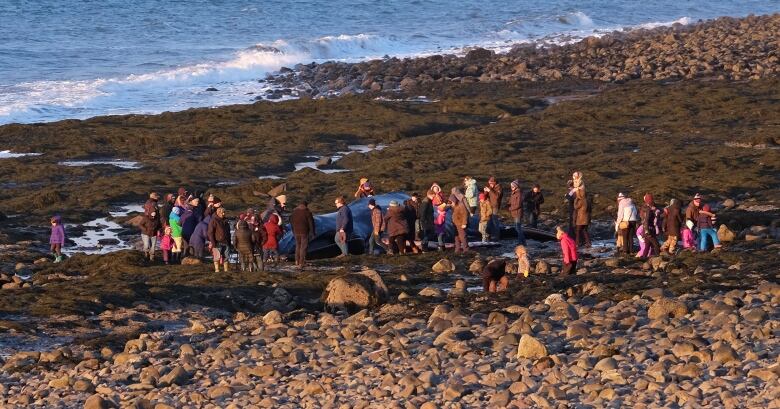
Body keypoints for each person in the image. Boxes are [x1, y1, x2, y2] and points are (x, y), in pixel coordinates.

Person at [290, 201, 315, 268]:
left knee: (298, 246)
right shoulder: (307, 212)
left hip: (296, 232)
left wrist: (293, 231)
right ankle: (301, 262)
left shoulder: (294, 212)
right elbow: (311, 224)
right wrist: (312, 232)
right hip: (304, 232)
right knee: (303, 247)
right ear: (306, 205)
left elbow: (291, 222)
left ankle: (297, 261)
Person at [208, 207, 231, 273]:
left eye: (224, 212)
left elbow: (228, 233)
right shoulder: (213, 220)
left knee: (226, 257)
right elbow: (210, 232)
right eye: (222, 213)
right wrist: (213, 242)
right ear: (218, 213)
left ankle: (226, 270)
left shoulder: (226, 221)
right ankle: (217, 270)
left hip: (226, 242)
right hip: (217, 242)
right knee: (216, 257)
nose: (223, 214)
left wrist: (229, 242)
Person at [573, 179, 591, 248]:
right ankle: (588, 243)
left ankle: (577, 243)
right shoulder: (587, 200)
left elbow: (576, 207)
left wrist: (575, 200)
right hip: (586, 218)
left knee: (577, 231)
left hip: (580, 219)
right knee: (585, 231)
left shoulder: (581, 200)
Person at [508, 180, 526, 245]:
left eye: (512, 186)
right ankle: (522, 242)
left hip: (518, 213)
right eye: (511, 186)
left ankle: (521, 242)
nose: (511, 187)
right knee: (517, 228)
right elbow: (511, 201)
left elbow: (518, 205)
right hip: (514, 212)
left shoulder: (519, 193)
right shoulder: (513, 193)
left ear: (516, 186)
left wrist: (510, 209)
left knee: (518, 228)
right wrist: (507, 205)